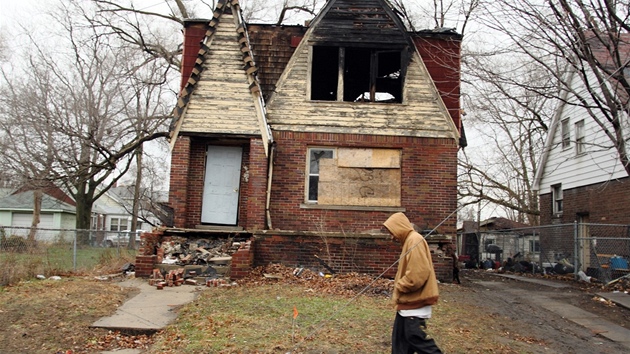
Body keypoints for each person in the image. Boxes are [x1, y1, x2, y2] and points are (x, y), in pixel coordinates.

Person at [383, 212, 443, 354]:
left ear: (399, 227)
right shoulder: (410, 241)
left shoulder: (414, 240)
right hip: (407, 304)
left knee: (416, 339)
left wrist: (400, 285)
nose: (392, 237)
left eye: (392, 232)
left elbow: (418, 274)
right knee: (400, 345)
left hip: (415, 303)